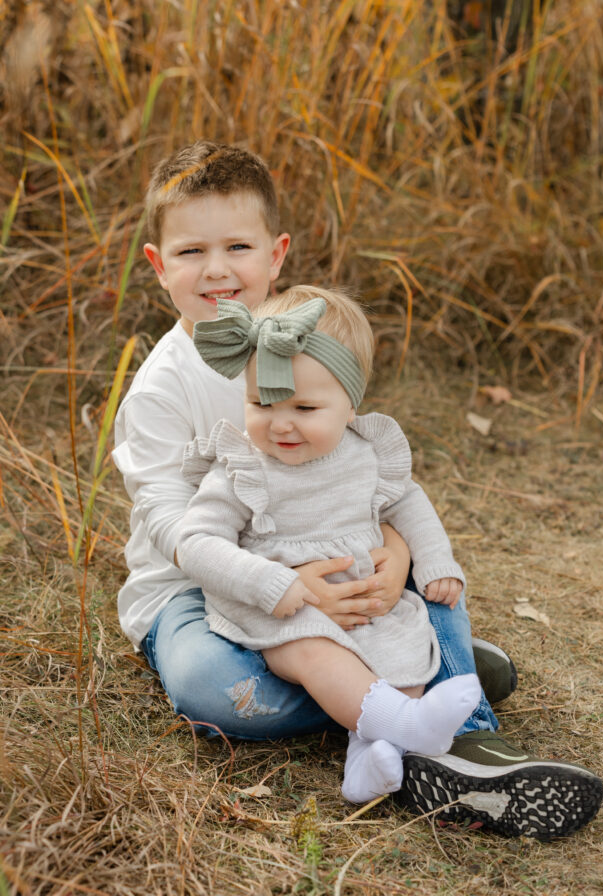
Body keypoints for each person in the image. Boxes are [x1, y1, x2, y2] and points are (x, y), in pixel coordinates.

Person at [112, 140, 603, 838]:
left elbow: (368, 476)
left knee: (428, 589)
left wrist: (399, 551)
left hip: (328, 557)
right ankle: (419, 683)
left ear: (275, 254)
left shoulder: (310, 340)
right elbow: (169, 522)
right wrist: (282, 585)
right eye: (191, 252)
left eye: (237, 248)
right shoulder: (162, 389)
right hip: (198, 586)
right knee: (209, 690)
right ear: (160, 267)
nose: (217, 270)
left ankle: (466, 738)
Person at [178, 287, 484, 804]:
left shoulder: (365, 453)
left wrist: (434, 559)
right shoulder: (242, 465)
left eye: (305, 406)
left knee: (400, 651)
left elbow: (408, 503)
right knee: (318, 656)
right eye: (261, 401)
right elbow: (195, 542)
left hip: (363, 599)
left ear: (350, 403)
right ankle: (412, 728)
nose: (280, 423)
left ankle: (368, 761)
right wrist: (272, 583)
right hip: (282, 613)